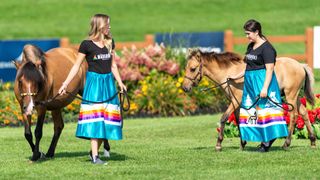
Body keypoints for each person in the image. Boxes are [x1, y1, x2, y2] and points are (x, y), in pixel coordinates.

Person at [59, 14, 126, 164]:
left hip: (108, 83)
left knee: (108, 120)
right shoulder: (86, 45)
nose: (110, 27)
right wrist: (65, 84)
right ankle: (96, 157)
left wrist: (120, 83)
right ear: (100, 26)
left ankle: (92, 152)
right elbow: (76, 66)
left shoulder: (110, 43)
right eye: (107, 24)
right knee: (96, 120)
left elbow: (113, 65)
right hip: (94, 85)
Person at [239, 19, 288, 152]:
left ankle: (268, 140)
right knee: (251, 111)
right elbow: (248, 66)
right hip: (250, 82)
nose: (246, 36)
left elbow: (270, 70)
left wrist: (265, 88)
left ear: (257, 32)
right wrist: (237, 77)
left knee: (265, 110)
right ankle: (261, 138)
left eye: (248, 33)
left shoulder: (267, 49)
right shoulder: (250, 46)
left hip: (262, 81)